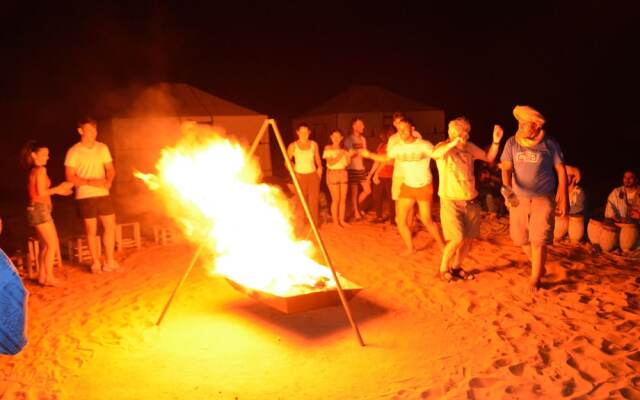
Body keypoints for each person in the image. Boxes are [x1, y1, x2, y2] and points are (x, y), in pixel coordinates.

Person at [362, 118, 460, 255]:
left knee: (426, 220)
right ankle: (410, 248)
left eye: (404, 129)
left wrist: (452, 143)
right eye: (399, 129)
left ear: (412, 129)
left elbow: (437, 154)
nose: (401, 132)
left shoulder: (423, 145)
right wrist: (369, 154)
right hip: (407, 185)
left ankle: (442, 245)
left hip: (423, 185)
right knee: (399, 220)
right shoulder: (398, 147)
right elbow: (386, 158)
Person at [500, 105, 568, 293]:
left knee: (538, 239)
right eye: (519, 124)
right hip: (518, 197)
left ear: (536, 126)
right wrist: (508, 191)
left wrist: (564, 198)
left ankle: (535, 277)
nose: (520, 127)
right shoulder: (512, 143)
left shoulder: (549, 144)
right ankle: (539, 266)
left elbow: (561, 170)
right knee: (520, 238)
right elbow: (506, 168)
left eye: (524, 124)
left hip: (542, 198)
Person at [435, 118, 503, 282]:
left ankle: (456, 268)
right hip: (451, 201)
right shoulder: (443, 148)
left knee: (468, 240)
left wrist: (495, 141)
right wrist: (453, 143)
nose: (465, 135)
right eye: (461, 132)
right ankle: (443, 269)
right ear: (451, 133)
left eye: (467, 132)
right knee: (457, 238)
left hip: (471, 200)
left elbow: (488, 157)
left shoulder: (470, 147)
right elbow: (434, 154)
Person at [65, 117, 119, 274]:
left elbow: (110, 169)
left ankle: (109, 261)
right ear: (80, 131)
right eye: (89, 130)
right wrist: (90, 182)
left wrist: (109, 180)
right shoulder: (74, 151)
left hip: (103, 193)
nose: (93, 133)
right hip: (85, 195)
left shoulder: (102, 148)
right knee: (91, 230)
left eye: (95, 130)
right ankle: (96, 262)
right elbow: (69, 176)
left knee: (110, 226)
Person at [21, 141, 74, 286]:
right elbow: (41, 192)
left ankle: (43, 276)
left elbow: (37, 192)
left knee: (45, 245)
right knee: (52, 244)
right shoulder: (41, 170)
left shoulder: (34, 171)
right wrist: (59, 188)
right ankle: (49, 277)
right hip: (40, 210)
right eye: (44, 154)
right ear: (34, 155)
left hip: (36, 209)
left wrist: (60, 191)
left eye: (48, 154)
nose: (48, 157)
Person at [287, 123, 323, 227]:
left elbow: (317, 157)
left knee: (314, 201)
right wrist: (293, 173)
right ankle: (300, 224)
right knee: (300, 202)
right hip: (300, 176)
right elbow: (287, 161)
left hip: (312, 175)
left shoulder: (314, 144)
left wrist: (320, 168)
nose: (304, 134)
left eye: (306, 132)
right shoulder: (293, 146)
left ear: (309, 132)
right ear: (297, 132)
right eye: (302, 132)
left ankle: (314, 225)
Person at [322, 129, 352, 227]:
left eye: (338, 136)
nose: (336, 138)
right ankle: (335, 222)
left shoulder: (344, 149)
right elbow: (330, 162)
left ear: (341, 138)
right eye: (334, 136)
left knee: (343, 199)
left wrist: (349, 156)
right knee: (336, 199)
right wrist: (341, 154)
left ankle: (342, 220)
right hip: (333, 174)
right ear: (331, 137)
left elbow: (347, 163)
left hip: (343, 173)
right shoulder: (328, 148)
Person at [344, 118, 371, 220]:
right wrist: (355, 153)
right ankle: (356, 213)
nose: (363, 126)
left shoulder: (363, 139)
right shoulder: (348, 140)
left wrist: (364, 156)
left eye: (363, 124)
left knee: (367, 190)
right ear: (354, 126)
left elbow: (363, 154)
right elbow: (348, 155)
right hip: (352, 168)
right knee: (354, 192)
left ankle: (355, 208)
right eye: (360, 124)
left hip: (361, 168)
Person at [368, 126, 395, 224]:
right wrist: (371, 174)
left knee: (391, 198)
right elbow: (377, 161)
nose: (380, 136)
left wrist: (376, 173)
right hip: (380, 176)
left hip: (390, 176)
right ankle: (379, 216)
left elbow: (385, 161)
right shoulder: (380, 146)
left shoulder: (392, 147)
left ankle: (393, 219)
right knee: (377, 197)